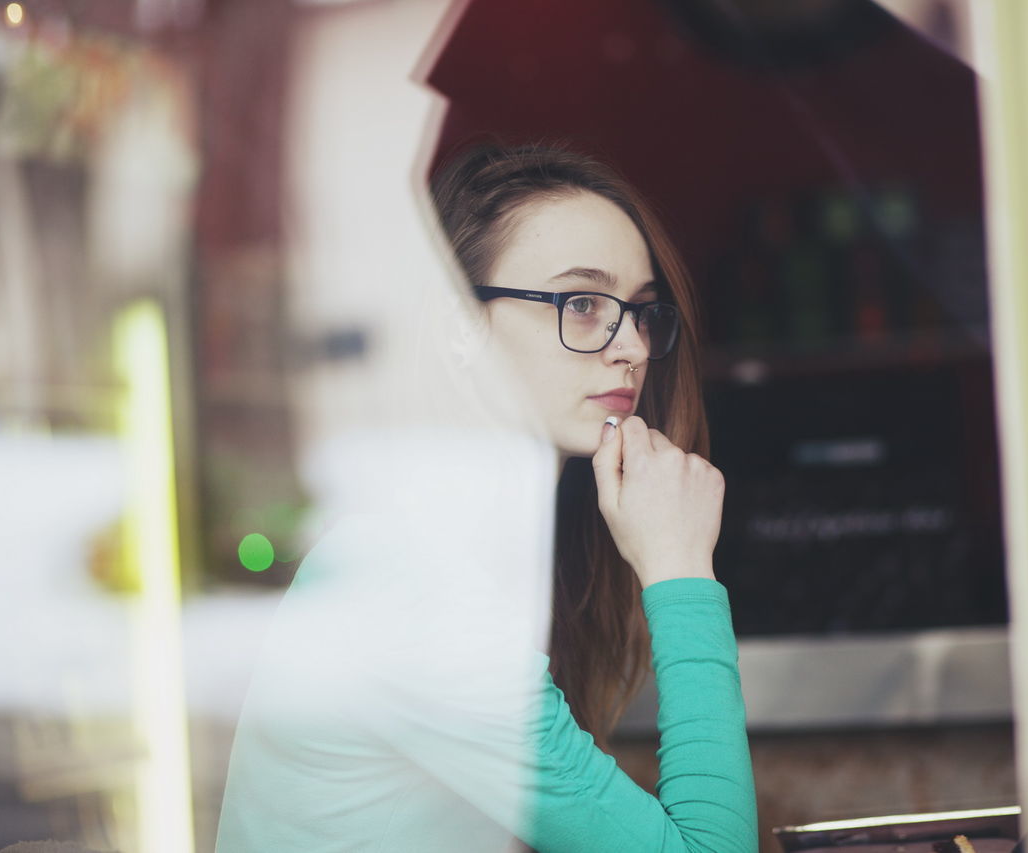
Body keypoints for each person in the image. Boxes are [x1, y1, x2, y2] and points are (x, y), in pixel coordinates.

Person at [215, 141, 757, 852]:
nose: (630, 345)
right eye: (583, 302)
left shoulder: (461, 551)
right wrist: (681, 567)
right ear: (459, 328)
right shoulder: (409, 582)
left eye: (642, 311)